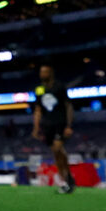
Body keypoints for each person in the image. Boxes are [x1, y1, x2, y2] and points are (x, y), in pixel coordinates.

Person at [32, 65, 76, 194]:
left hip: (60, 123)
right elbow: (38, 109)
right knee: (56, 152)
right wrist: (36, 127)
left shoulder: (59, 87)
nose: (42, 74)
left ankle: (68, 178)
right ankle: (65, 180)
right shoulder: (39, 89)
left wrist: (69, 125)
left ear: (51, 73)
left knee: (58, 148)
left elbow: (68, 106)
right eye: (41, 72)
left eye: (45, 72)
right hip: (47, 125)